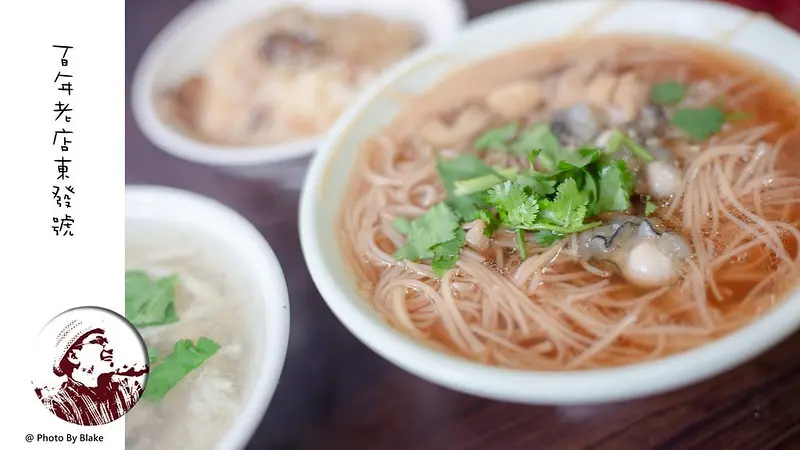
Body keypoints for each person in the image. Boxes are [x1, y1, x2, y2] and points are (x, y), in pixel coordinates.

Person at [39, 319, 144, 426]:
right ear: (73, 356)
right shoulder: (58, 405)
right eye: (98, 341)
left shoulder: (128, 389)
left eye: (106, 342)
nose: (110, 348)